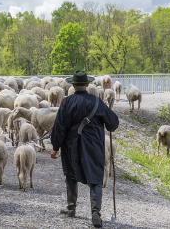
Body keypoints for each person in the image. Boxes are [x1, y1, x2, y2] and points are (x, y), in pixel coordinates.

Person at [50, 70, 119, 228]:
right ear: (87, 85)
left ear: (73, 85)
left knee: (71, 175)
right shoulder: (96, 102)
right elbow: (113, 123)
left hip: (70, 146)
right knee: (95, 178)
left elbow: (59, 127)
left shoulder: (67, 102)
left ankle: (71, 208)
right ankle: (95, 213)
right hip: (93, 146)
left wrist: (55, 147)